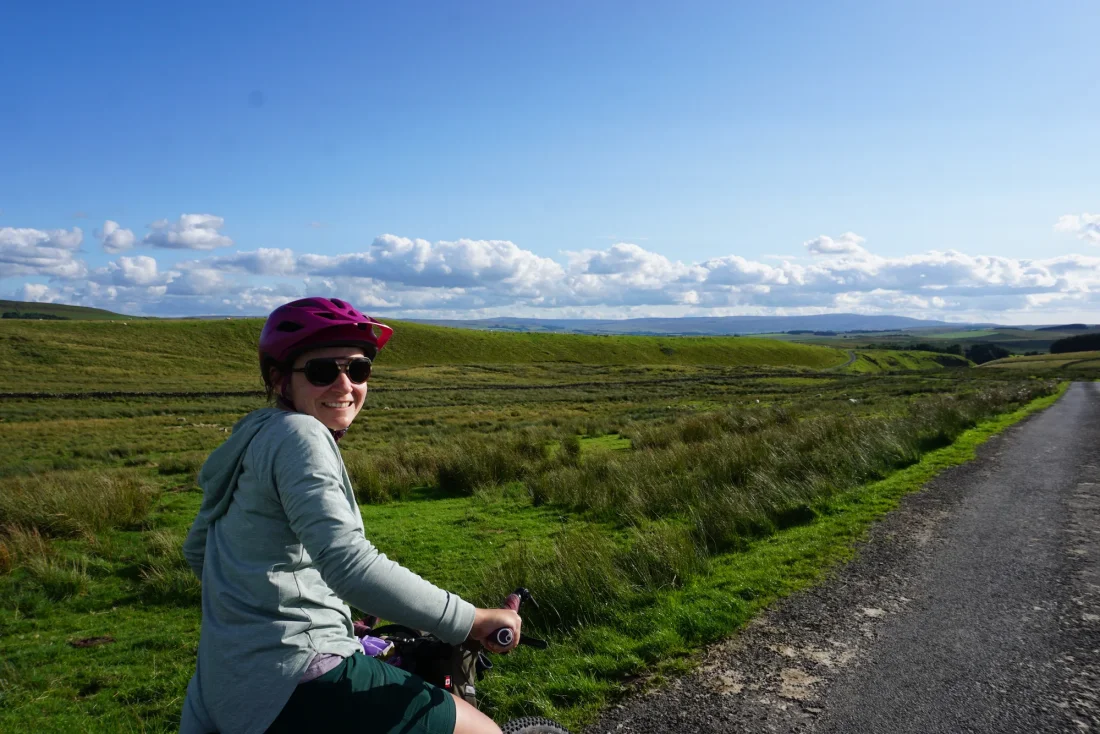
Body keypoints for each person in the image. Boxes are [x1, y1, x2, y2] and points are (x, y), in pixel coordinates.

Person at [180, 297, 520, 734]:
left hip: (222, 685)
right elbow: (350, 563)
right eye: (323, 371)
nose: (344, 386)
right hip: (296, 673)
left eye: (358, 370)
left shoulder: (253, 435)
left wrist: (317, 602)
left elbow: (198, 550)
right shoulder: (301, 434)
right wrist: (469, 620)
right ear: (280, 379)